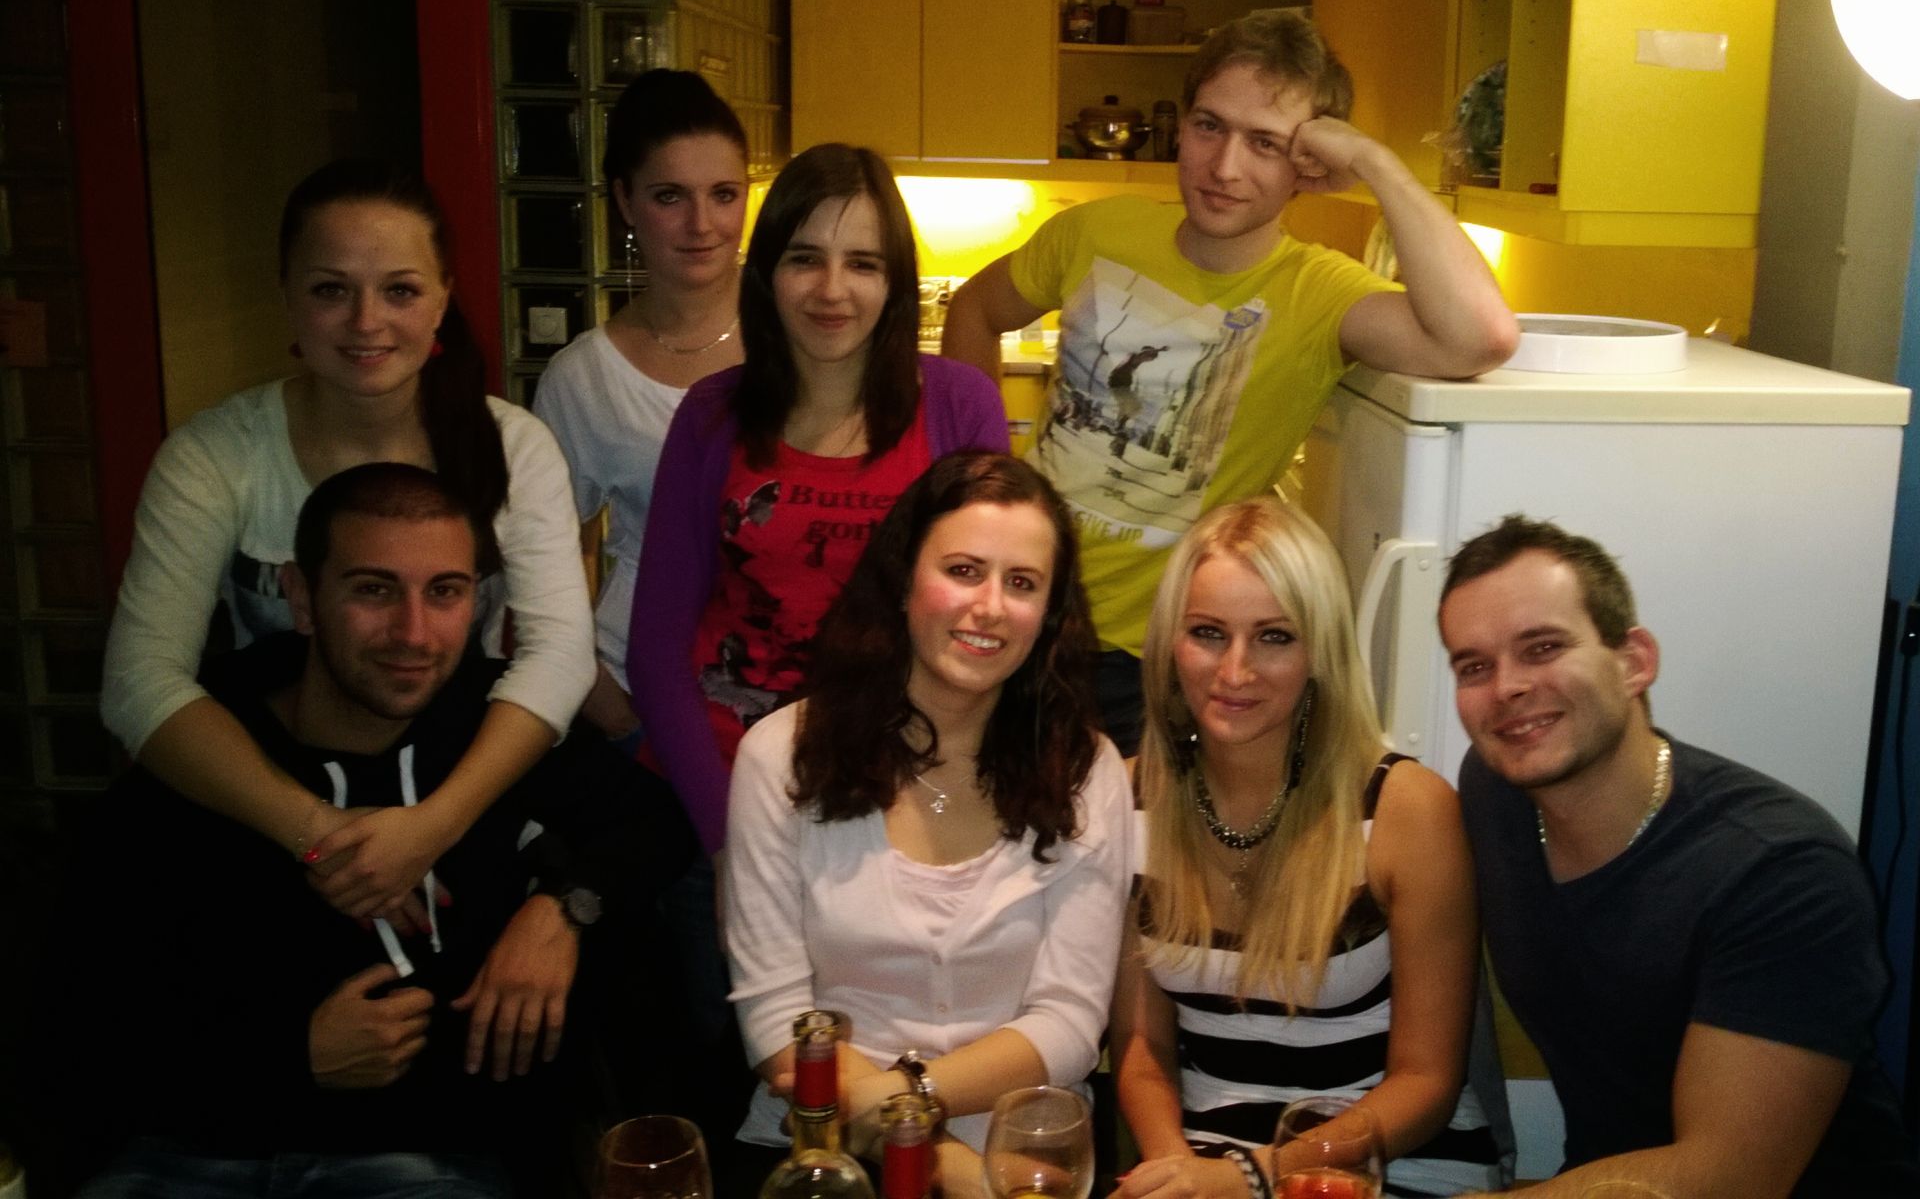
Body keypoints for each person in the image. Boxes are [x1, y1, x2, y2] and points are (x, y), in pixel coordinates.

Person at [48, 464, 691, 1199]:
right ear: (301, 598)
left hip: (435, 1166)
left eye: (444, 592)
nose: (413, 634)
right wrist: (288, 1059)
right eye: (374, 590)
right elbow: (82, 1030)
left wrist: (563, 911)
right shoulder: (197, 762)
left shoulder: (495, 729)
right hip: (189, 1158)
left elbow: (658, 822)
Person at [941, 8, 1517, 755]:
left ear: (1307, 165)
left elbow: (1481, 336)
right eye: (1209, 126)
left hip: (1159, 659)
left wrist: (1377, 165)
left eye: (1265, 143)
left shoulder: (1319, 294)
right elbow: (976, 309)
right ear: (1181, 125)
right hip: (1013, 613)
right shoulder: (1096, 231)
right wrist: (978, 484)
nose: (1224, 167)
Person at [99, 158, 596, 927]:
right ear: (288, 297)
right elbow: (139, 680)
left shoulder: (513, 446)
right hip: (266, 797)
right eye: (331, 290)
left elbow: (559, 654)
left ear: (442, 299)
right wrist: (320, 836)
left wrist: (432, 827)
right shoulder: (216, 456)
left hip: (458, 783)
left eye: (400, 290)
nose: (367, 323)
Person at [1436, 515, 1920, 1197]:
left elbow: (1733, 1178)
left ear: (1634, 661)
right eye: (1474, 667)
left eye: (1542, 647)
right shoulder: (1496, 794)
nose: (1506, 688)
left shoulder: (1781, 871)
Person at [724, 451, 1132, 1197]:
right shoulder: (779, 756)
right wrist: (944, 1161)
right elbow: (776, 1018)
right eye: (964, 571)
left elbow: (1071, 1022)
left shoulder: (1086, 768)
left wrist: (899, 1100)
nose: (989, 607)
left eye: (1022, 583)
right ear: (904, 581)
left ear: (1049, 615)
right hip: (823, 1155)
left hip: (1028, 1159)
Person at [1112, 497, 1502, 1199]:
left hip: (1394, 1165)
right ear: (1170, 642)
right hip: (1204, 1163)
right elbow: (1143, 1049)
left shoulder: (1407, 810)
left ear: (1320, 650)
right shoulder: (1127, 799)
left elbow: (1427, 1082)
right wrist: (1176, 1172)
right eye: (1208, 633)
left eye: (1274, 637)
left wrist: (1253, 1176)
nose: (1235, 671)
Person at [629, 142, 1008, 858]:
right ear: (767, 272)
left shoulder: (960, 406)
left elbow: (992, 628)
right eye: (805, 258)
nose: (832, 290)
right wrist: (726, 838)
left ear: (895, 282)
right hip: (726, 791)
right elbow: (656, 645)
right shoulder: (711, 415)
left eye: (862, 263)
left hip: (901, 802)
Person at [533, 69, 749, 741]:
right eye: (669, 196)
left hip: (795, 698)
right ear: (625, 200)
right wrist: (620, 722)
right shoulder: (582, 379)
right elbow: (544, 573)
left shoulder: (804, 338)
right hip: (639, 694)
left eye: (724, 195)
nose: (702, 225)